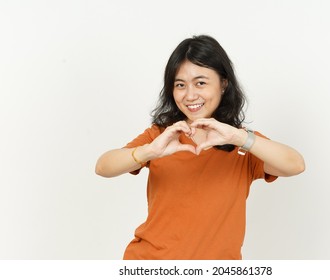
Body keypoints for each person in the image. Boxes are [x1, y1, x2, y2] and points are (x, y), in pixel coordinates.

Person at [95, 35, 305, 260]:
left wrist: (239, 137)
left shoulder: (241, 143)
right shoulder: (161, 136)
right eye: (180, 85)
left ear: (223, 83)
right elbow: (103, 167)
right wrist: (149, 151)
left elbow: (295, 164)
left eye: (201, 82)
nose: (190, 95)